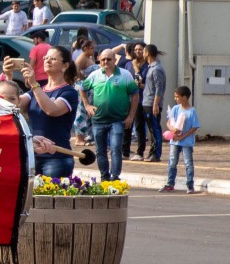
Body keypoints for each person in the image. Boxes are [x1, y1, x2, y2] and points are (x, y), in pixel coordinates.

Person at [14, 46, 79, 178]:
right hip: (33, 155)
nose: (47, 61)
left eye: (53, 59)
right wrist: (8, 76)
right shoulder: (36, 90)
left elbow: (51, 110)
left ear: (65, 65)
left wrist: (34, 84)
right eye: (46, 58)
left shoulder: (68, 92)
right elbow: (14, 106)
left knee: (52, 197)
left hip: (57, 158)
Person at [81, 47, 137, 181]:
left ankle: (115, 176)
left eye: (109, 59)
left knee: (116, 148)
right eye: (103, 59)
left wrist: (130, 116)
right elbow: (82, 89)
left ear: (114, 60)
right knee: (100, 151)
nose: (106, 62)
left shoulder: (125, 75)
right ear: (99, 60)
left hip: (117, 120)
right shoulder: (95, 75)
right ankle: (104, 176)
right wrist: (87, 105)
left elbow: (135, 95)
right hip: (98, 120)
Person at [163, 85, 199, 193]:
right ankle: (170, 183)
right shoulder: (175, 109)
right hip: (174, 141)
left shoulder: (191, 111)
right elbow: (169, 122)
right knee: (172, 162)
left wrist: (183, 136)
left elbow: (194, 127)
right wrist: (172, 130)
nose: (175, 99)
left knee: (188, 163)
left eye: (177, 97)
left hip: (186, 142)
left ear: (185, 97)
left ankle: (190, 185)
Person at [136, 45, 166, 163]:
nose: (142, 53)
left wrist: (155, 104)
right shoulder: (151, 67)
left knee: (155, 129)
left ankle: (156, 154)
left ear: (147, 53)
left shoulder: (156, 69)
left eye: (143, 51)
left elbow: (159, 88)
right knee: (151, 129)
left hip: (152, 103)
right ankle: (152, 152)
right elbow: (150, 86)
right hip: (146, 102)